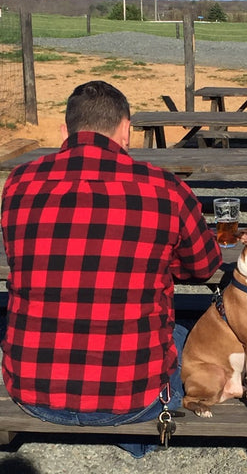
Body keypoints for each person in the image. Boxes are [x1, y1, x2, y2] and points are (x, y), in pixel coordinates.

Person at [1, 80, 223, 457]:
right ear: (126, 129)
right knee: (192, 333)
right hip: (132, 398)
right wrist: (160, 260)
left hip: (31, 391)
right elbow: (204, 266)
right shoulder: (164, 189)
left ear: (65, 130)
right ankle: (133, 435)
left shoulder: (19, 183)